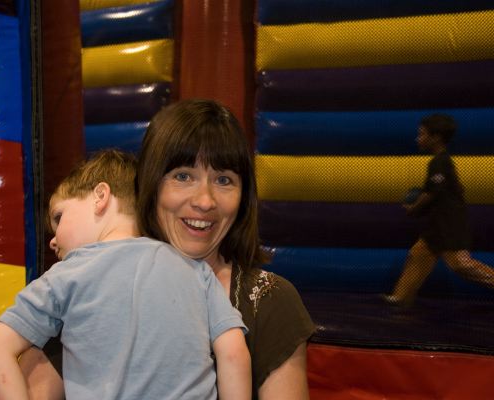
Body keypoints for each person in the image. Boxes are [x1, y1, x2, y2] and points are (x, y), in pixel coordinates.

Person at [19, 99, 316, 399]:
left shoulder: (268, 300)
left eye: (224, 180)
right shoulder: (90, 282)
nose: (205, 201)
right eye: (183, 176)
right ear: (151, 184)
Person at [0, 149, 251, 399]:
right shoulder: (195, 270)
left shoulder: (66, 274)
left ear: (100, 196)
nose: (53, 240)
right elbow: (233, 353)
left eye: (59, 217)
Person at [385, 114, 494, 307]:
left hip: (450, 225)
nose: (417, 138)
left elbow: (431, 193)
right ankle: (401, 297)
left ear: (435, 137)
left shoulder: (440, 162)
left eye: (422, 134)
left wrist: (413, 208)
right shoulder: (438, 162)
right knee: (418, 255)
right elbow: (434, 193)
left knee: (460, 264)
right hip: (437, 225)